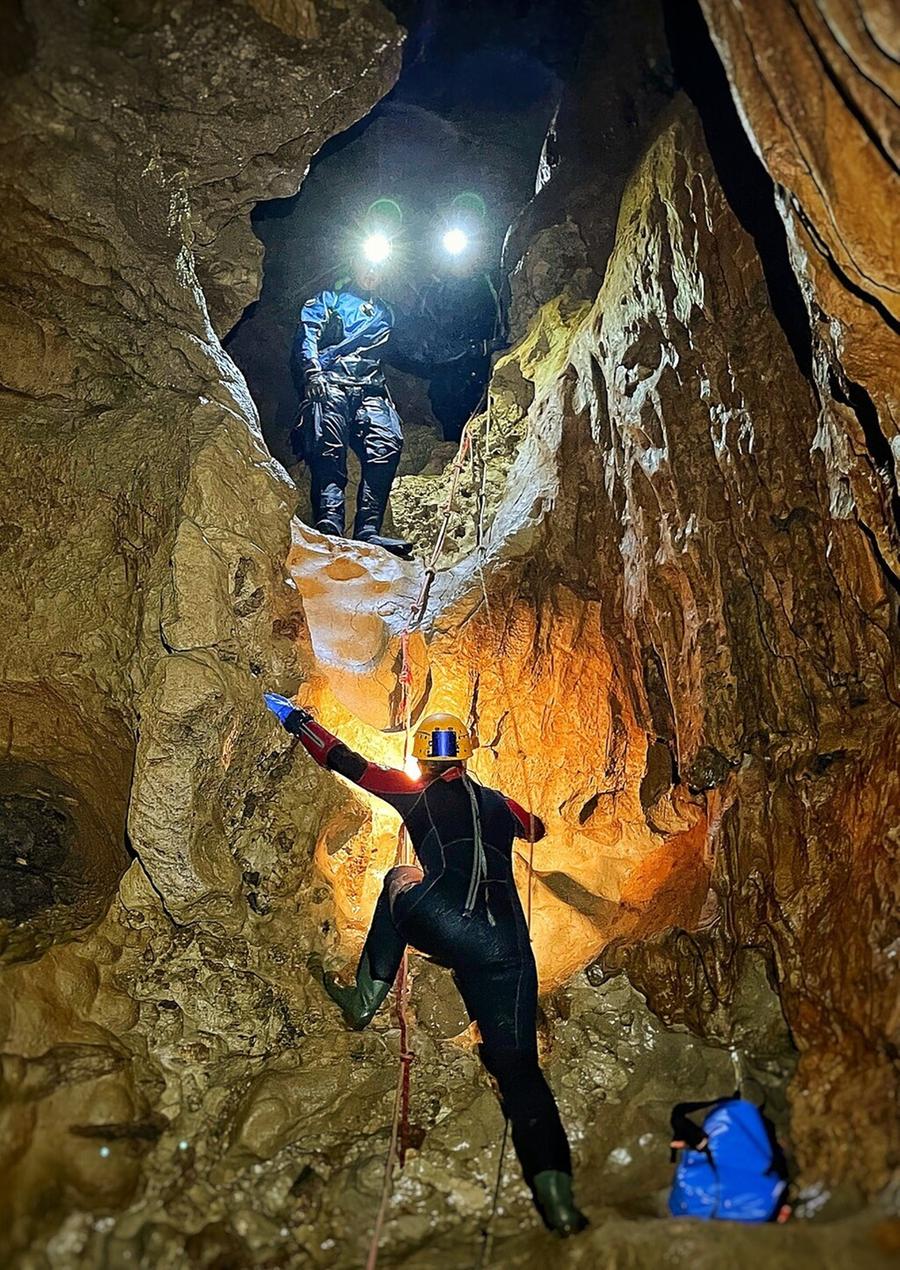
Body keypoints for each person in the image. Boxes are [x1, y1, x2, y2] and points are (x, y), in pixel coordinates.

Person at [263, 691, 587, 1237]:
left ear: (423, 760)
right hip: (507, 946)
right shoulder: (499, 803)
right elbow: (537, 830)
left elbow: (348, 762)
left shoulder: (413, 792)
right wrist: (510, 813)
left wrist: (296, 719)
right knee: (522, 1073)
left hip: (446, 922)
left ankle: (364, 998)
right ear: (464, 757)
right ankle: (558, 1201)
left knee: (398, 879)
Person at [291, 262, 412, 559]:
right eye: (367, 265)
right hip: (332, 380)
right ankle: (330, 521)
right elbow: (309, 333)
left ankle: (368, 529)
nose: (372, 272)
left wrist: (477, 349)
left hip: (370, 386)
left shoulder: (387, 313)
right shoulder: (329, 300)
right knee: (328, 442)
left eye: (378, 268)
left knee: (388, 441)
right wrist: (312, 372)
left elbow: (417, 349)